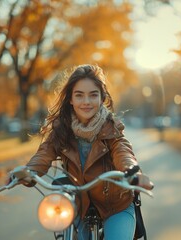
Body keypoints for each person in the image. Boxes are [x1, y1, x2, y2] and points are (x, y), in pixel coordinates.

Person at [24, 64, 154, 240]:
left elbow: (123, 152)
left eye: (93, 95)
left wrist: (132, 172)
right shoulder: (61, 131)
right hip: (79, 206)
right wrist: (29, 172)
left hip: (115, 206)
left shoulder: (112, 129)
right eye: (79, 95)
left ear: (102, 98)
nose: (86, 101)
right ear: (70, 99)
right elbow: (44, 154)